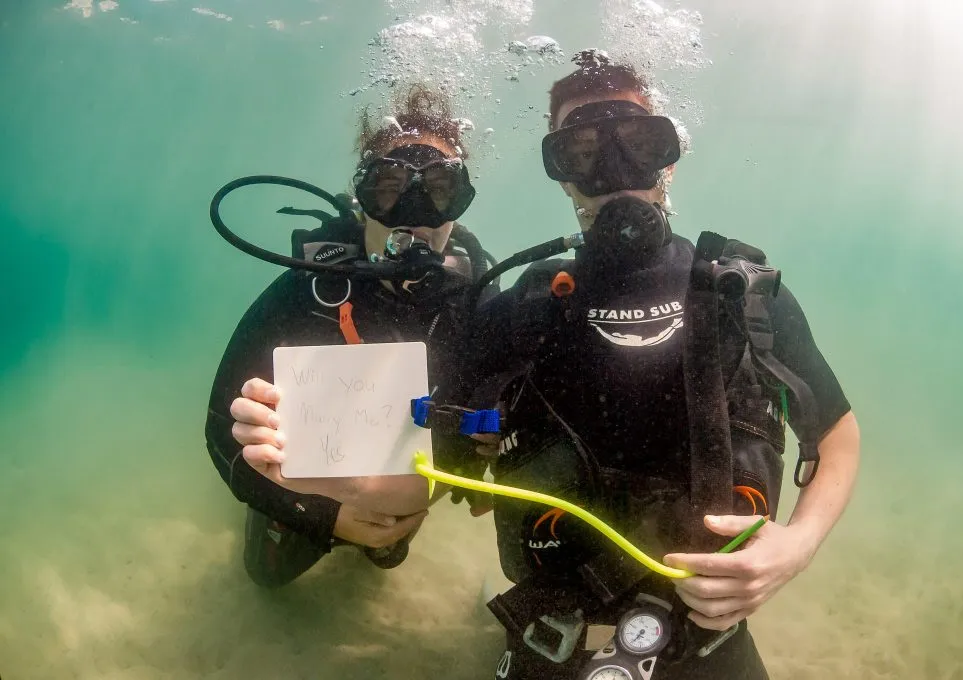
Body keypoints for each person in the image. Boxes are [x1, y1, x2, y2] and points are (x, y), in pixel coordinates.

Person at [440, 51, 862, 679]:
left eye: (637, 143)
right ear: (560, 174)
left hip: (705, 636)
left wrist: (796, 547)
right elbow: (430, 437)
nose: (614, 172)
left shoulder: (740, 296)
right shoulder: (524, 305)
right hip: (547, 630)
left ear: (668, 158)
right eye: (582, 152)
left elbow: (836, 435)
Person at [205, 84, 495, 588]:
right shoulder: (307, 291)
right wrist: (324, 517)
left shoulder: (476, 300)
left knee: (387, 553)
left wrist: (490, 456)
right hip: (311, 492)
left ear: (459, 203)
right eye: (389, 187)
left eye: (440, 189)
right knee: (266, 577)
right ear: (363, 200)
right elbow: (217, 428)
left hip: (401, 489)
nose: (415, 211)